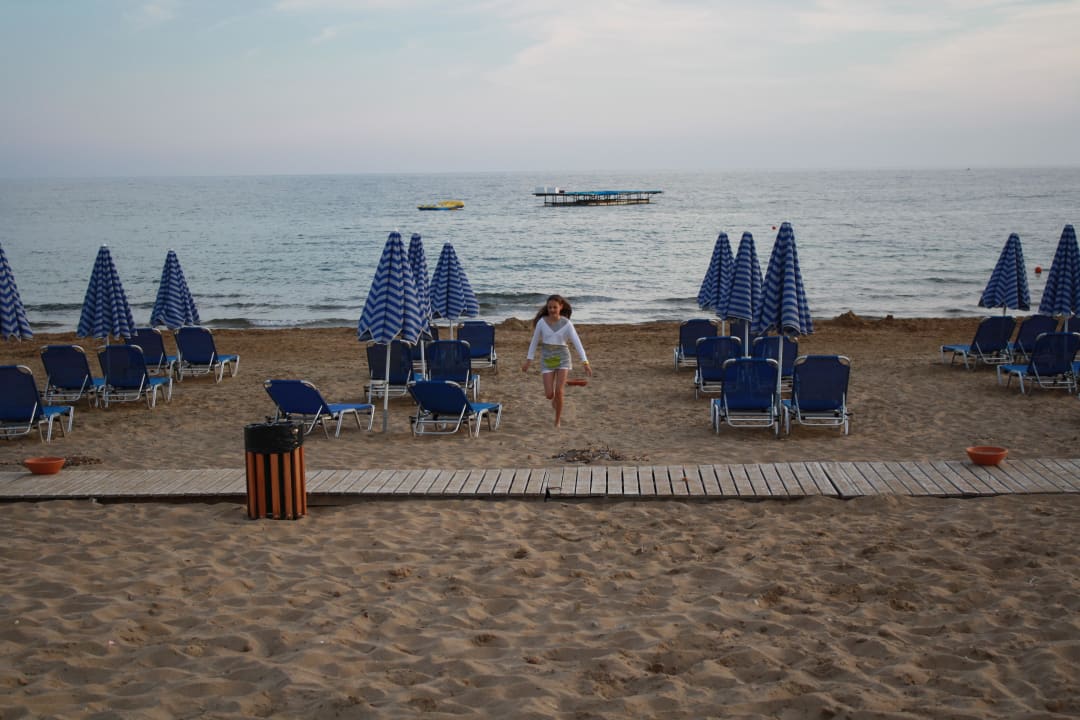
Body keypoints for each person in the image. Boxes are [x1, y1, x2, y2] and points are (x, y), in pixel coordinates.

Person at [521, 294, 593, 427]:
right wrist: (528, 361)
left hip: (563, 357)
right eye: (549, 308)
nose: (552, 310)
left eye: (555, 307)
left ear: (561, 307)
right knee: (549, 394)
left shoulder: (567, 323)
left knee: (559, 392)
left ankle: (557, 420)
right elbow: (534, 342)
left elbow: (577, 343)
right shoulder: (542, 322)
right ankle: (560, 389)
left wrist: (585, 363)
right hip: (547, 358)